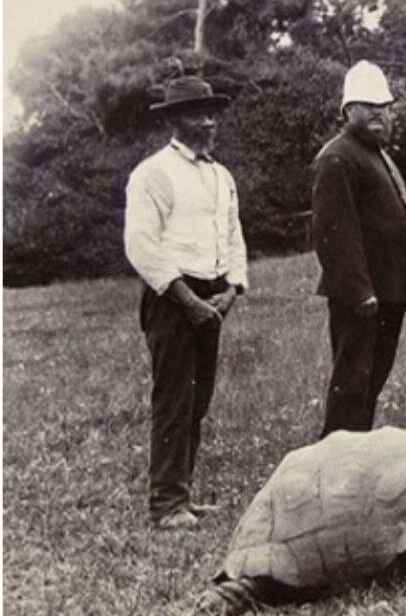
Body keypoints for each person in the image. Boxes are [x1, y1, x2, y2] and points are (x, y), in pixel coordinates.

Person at [124, 75, 248, 530]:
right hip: (172, 299)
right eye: (199, 112)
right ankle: (165, 504)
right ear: (175, 120)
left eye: (213, 112)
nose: (210, 121)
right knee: (174, 400)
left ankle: (183, 496)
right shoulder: (152, 174)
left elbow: (233, 235)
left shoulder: (221, 175)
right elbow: (141, 246)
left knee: (198, 401)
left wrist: (233, 288)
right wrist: (187, 299)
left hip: (213, 296)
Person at [311, 60, 406, 439]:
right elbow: (333, 233)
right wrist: (360, 290)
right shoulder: (338, 157)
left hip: (389, 291)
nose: (379, 113)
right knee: (352, 383)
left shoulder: (376, 154)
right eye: (368, 105)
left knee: (371, 381)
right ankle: (333, 464)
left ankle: (355, 456)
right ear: (348, 110)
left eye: (385, 106)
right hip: (362, 296)